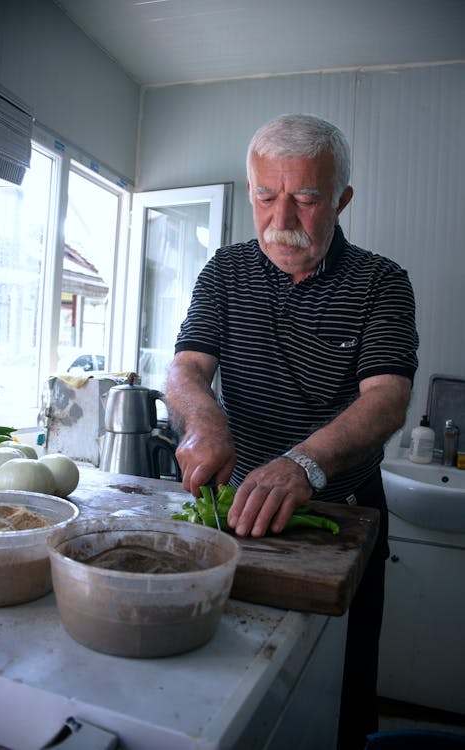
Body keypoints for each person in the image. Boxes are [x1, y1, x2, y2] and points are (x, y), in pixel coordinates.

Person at [164, 113, 419, 750]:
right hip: (236, 513)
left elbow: (388, 399)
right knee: (234, 683)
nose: (282, 218)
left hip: (342, 515)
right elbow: (188, 368)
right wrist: (203, 418)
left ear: (342, 200)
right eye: (264, 196)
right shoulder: (225, 271)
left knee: (338, 695)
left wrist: (303, 464)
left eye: (305, 198)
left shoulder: (382, 282)